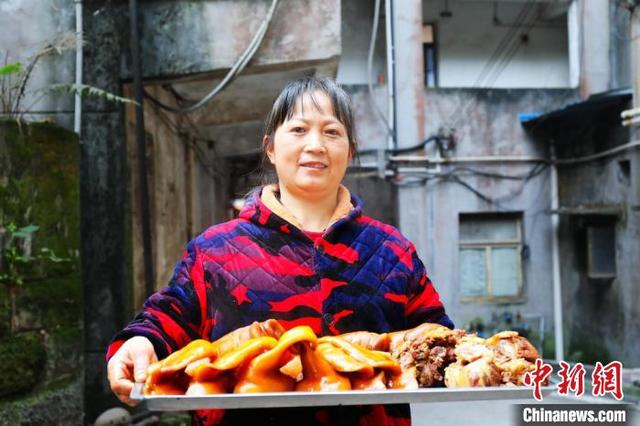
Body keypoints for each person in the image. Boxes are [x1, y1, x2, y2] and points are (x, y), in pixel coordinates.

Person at [106, 77, 453, 425]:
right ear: (270, 147)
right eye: (299, 129)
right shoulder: (214, 251)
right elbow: (168, 318)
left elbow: (438, 339)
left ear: (350, 151)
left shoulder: (392, 251)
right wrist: (139, 342)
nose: (315, 144)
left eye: (332, 132)